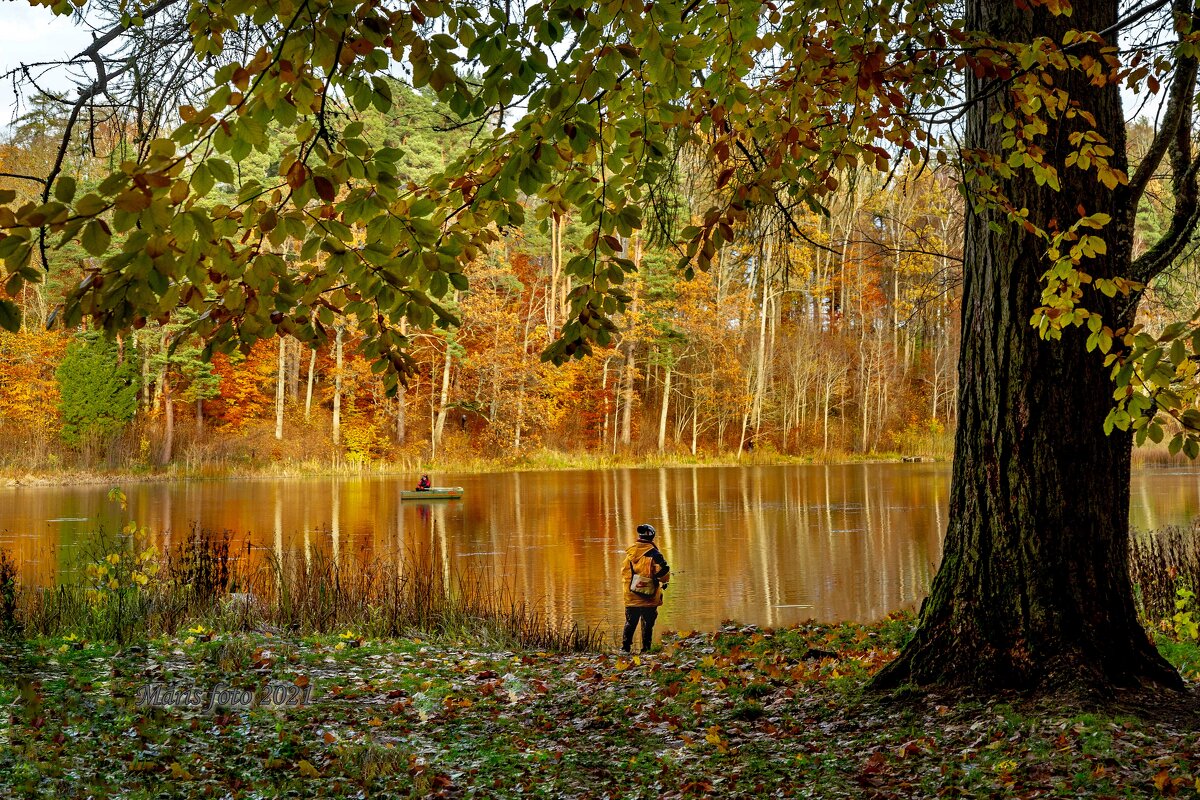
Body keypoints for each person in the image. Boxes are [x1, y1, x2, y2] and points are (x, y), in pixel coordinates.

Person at [621, 523, 669, 653]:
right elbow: (664, 573)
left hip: (631, 594)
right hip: (649, 595)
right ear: (652, 536)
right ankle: (646, 649)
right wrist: (662, 581)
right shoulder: (655, 554)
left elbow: (624, 573)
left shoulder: (630, 552)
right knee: (648, 624)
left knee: (630, 622)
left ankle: (625, 648)